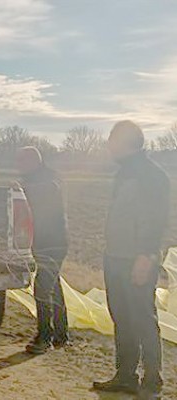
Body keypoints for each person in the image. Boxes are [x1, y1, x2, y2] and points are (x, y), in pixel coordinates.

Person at [92, 121, 169, 400]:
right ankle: (125, 376)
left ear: (126, 142)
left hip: (137, 259)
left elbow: (156, 220)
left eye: (112, 140)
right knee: (122, 318)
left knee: (143, 319)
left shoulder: (151, 175)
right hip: (115, 257)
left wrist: (146, 256)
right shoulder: (124, 173)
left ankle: (152, 381)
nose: (108, 145)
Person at [15, 147, 69, 355]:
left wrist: (22, 190)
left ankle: (44, 336)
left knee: (43, 287)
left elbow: (50, 190)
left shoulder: (50, 178)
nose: (18, 167)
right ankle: (61, 334)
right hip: (42, 242)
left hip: (53, 243)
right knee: (53, 285)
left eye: (21, 163)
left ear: (33, 161)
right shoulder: (31, 179)